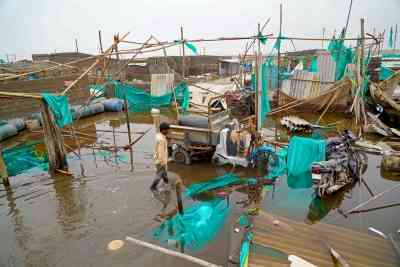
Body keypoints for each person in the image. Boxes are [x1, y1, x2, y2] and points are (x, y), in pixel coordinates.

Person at [150, 122, 170, 192]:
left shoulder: (158, 136)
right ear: (163, 130)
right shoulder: (162, 140)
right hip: (160, 161)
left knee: (164, 174)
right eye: (167, 130)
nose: (168, 131)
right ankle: (153, 187)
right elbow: (161, 153)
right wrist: (163, 163)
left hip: (158, 159)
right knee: (159, 175)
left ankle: (167, 183)